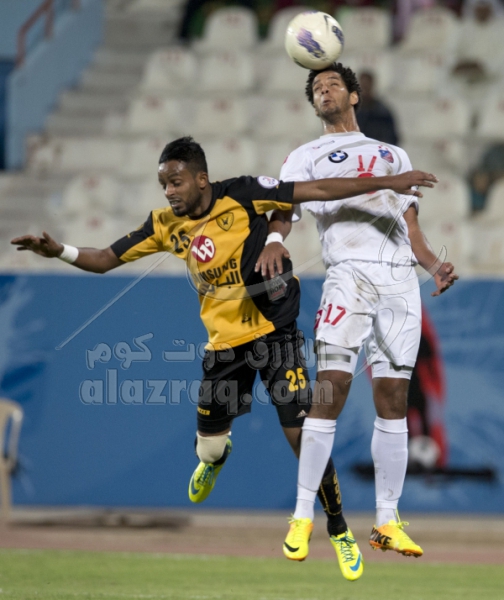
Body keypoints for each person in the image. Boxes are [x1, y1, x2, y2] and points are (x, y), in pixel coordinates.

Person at [11, 136, 436, 579]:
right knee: (210, 447)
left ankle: (339, 531)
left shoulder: (245, 193)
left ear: (201, 179)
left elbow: (318, 190)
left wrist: (388, 182)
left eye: (176, 182)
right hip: (224, 348)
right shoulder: (164, 225)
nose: (169, 191)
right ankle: (215, 457)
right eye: (164, 184)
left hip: (275, 335)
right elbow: (104, 259)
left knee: (303, 433)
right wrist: (58, 251)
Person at [256, 63, 458, 563]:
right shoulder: (305, 156)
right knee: (331, 389)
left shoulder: (393, 155)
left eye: (332, 85)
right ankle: (303, 514)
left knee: (394, 397)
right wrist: (276, 239)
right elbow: (284, 208)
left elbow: (409, 227)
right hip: (349, 275)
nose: (323, 91)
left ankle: (387, 521)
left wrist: (433, 266)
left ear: (353, 95)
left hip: (399, 282)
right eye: (316, 88)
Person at [356, 71, 400, 147]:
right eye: (362, 87)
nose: (364, 91)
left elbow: (392, 138)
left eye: (366, 87)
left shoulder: (382, 113)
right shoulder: (349, 112)